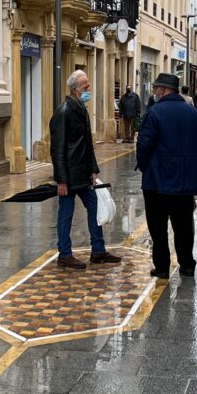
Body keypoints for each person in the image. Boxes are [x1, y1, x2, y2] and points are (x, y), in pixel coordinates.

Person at [137, 73, 197, 279]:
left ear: (163, 90)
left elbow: (144, 146)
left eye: (157, 88)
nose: (155, 92)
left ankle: (162, 267)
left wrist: (145, 168)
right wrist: (194, 170)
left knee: (158, 228)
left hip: (157, 182)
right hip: (185, 183)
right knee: (184, 226)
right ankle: (186, 265)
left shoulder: (155, 113)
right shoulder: (194, 114)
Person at [50, 70, 122, 269]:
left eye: (88, 85)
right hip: (70, 176)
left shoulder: (81, 108)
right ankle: (64, 254)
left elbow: (87, 143)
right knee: (66, 213)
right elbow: (57, 149)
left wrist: (93, 168)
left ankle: (98, 250)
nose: (88, 89)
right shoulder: (63, 112)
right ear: (75, 90)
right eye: (85, 86)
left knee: (94, 207)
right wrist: (61, 180)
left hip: (83, 173)